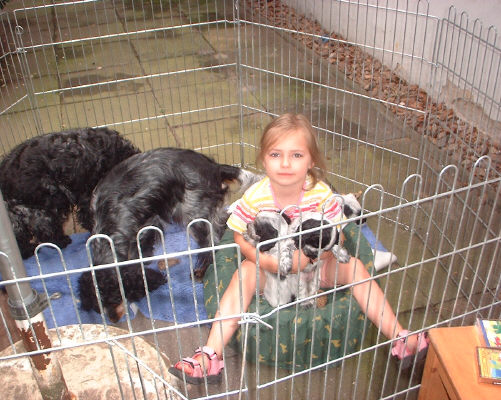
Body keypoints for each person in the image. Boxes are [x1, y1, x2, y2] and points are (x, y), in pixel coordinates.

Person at [169, 113, 429, 384]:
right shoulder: (255, 196)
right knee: (244, 272)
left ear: (311, 161)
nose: (285, 164)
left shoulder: (321, 193)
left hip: (317, 270)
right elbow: (238, 237)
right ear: (263, 159)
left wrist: (314, 256)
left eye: (296, 155)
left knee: (355, 267)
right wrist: (264, 262)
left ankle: (401, 337)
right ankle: (210, 356)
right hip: (271, 273)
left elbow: (338, 236)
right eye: (275, 154)